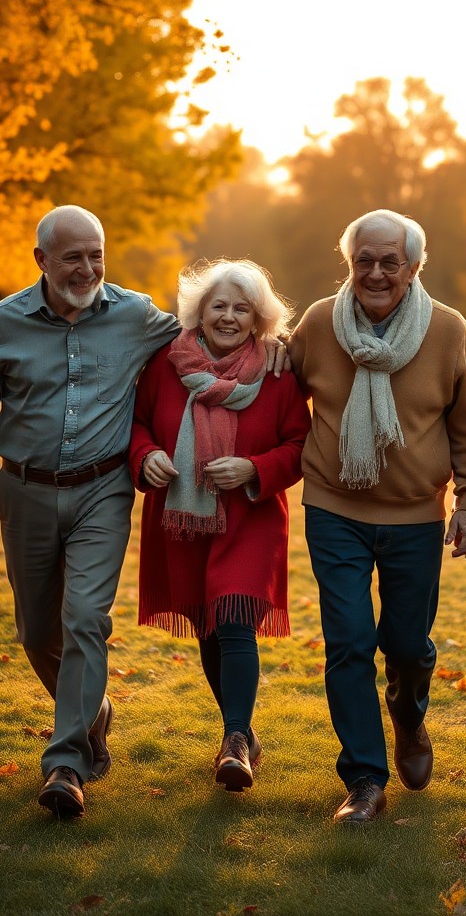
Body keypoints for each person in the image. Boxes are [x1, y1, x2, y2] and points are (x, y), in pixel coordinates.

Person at [0, 205, 286, 819]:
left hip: (102, 491)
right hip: (24, 490)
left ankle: (67, 763)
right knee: (38, 632)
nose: (87, 269)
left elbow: (216, 332)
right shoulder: (2, 323)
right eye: (72, 257)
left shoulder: (135, 315)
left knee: (85, 618)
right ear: (42, 260)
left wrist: (274, 344)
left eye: (96, 255)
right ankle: (92, 709)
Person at [288, 208, 466, 825]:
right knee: (349, 642)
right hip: (334, 508)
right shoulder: (319, 323)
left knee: (406, 644)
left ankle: (407, 712)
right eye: (363, 261)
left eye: (389, 261)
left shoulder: (448, 330)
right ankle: (364, 780)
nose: (375, 273)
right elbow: (279, 394)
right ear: (349, 264)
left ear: (414, 267)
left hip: (416, 515)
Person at [128, 259, 310, 791]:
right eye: (219, 306)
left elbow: (300, 445)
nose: (229, 317)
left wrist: (255, 469)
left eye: (242, 308)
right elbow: (137, 422)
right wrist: (146, 455)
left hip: (250, 518)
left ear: (258, 318)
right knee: (208, 626)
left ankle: (234, 742)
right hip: (182, 519)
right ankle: (243, 733)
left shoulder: (277, 372)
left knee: (233, 620)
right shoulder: (165, 363)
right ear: (199, 311)